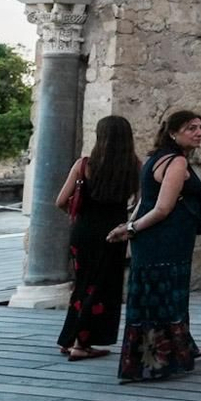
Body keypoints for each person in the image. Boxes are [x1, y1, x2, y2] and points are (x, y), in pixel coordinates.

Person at [112, 110, 201, 382]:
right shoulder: (176, 162)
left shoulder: (154, 159)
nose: (199, 132)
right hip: (167, 240)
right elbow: (162, 208)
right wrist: (131, 228)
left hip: (153, 240)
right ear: (173, 132)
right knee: (167, 296)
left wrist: (129, 228)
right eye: (192, 128)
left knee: (150, 297)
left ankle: (161, 356)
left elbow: (143, 202)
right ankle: (162, 360)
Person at [55, 115, 141, 361]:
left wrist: (77, 217)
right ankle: (83, 344)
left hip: (83, 231)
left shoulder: (84, 165)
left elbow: (61, 201)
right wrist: (129, 223)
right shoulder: (133, 165)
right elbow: (142, 200)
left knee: (82, 285)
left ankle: (69, 340)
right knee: (103, 287)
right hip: (113, 232)